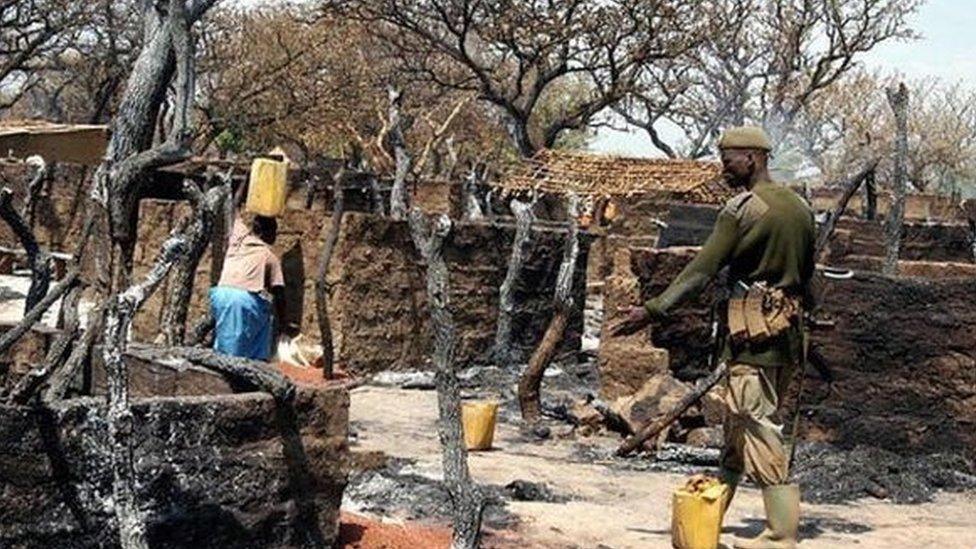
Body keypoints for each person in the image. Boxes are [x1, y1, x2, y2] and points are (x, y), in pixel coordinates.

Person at [611, 126, 815, 549]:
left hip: (750, 341)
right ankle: (709, 517)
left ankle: (781, 534)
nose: (723, 167)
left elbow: (701, 271)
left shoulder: (741, 210)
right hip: (786, 338)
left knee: (757, 427)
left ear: (754, 158)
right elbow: (808, 280)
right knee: (737, 436)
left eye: (729, 159)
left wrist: (652, 309)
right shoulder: (801, 207)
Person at [209, 191, 288, 361]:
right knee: (263, 320)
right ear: (267, 233)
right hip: (242, 300)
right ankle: (255, 360)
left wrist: (246, 180)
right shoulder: (269, 256)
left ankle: (221, 359)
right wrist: (284, 325)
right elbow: (279, 293)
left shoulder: (237, 237)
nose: (275, 236)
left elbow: (234, 204)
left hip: (220, 294)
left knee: (226, 337)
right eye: (274, 231)